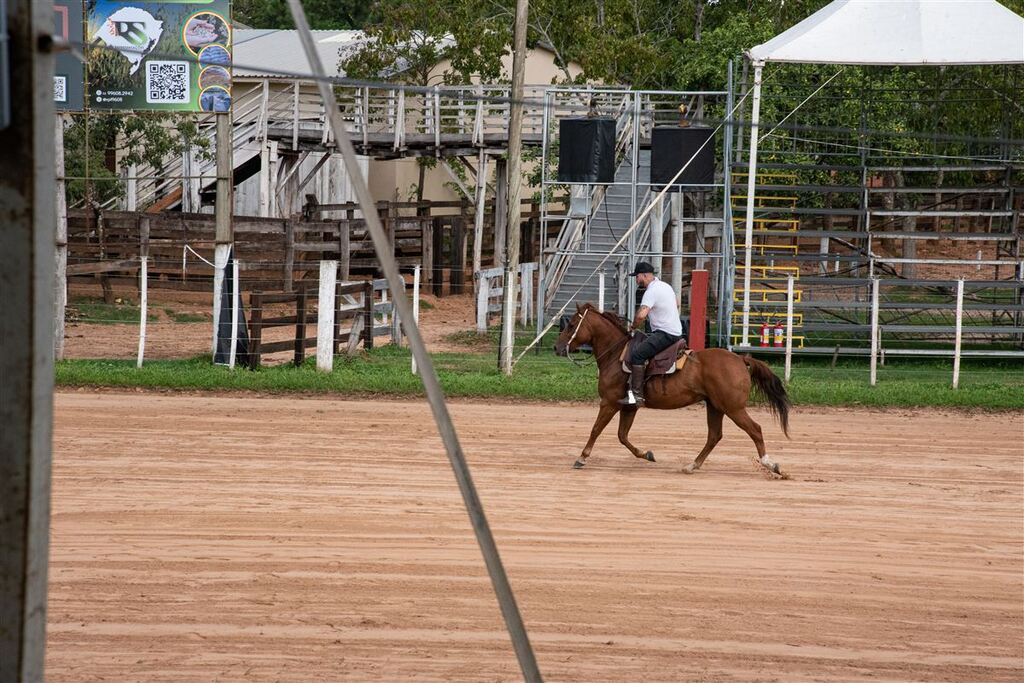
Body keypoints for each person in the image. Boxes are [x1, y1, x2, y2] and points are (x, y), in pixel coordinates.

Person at [620, 261, 683, 407]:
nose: (636, 280)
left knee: (637, 354)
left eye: (637, 277)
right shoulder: (665, 286)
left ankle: (636, 396)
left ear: (644, 275)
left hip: (665, 333)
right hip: (675, 331)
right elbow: (677, 303)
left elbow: (641, 315)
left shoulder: (651, 291)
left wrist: (632, 327)